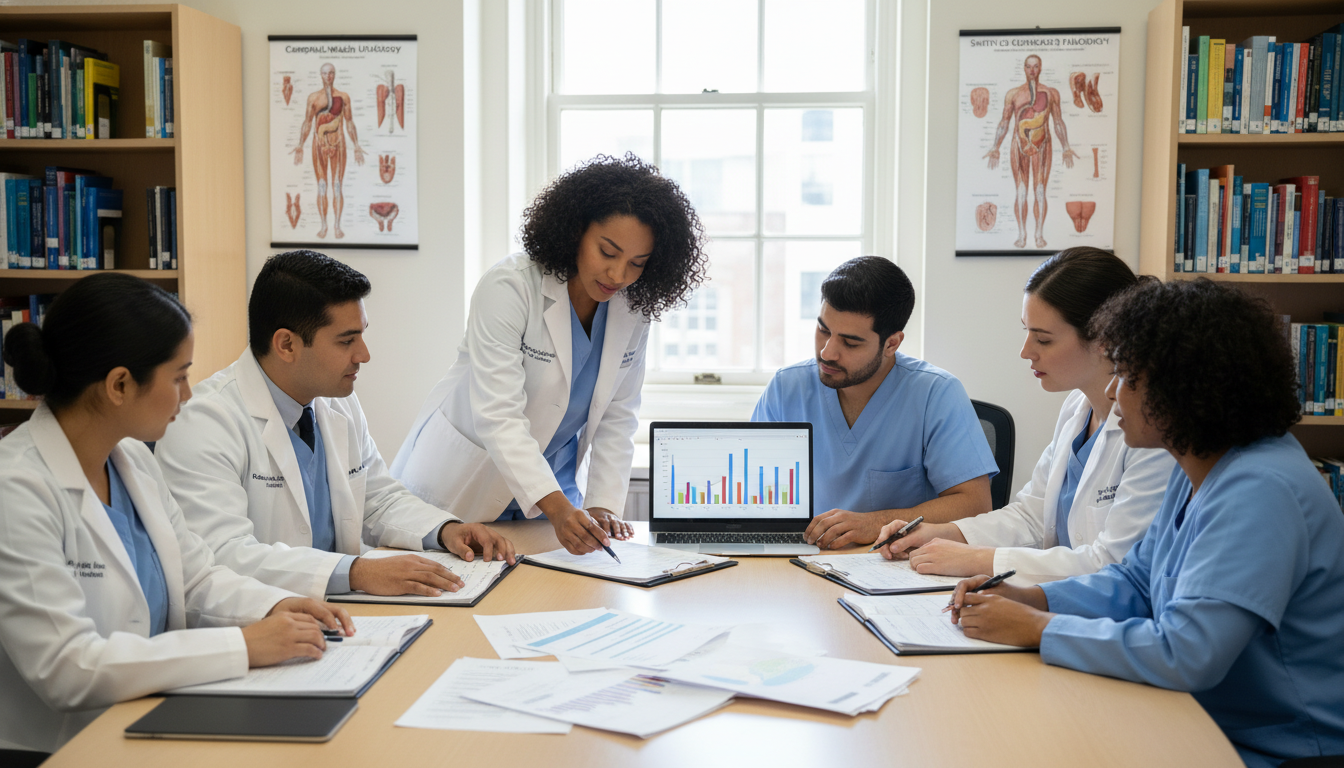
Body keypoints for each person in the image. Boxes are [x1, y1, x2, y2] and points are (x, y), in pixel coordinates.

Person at [948, 279, 1344, 767]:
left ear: (1187, 388)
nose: (1112, 393)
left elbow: (1188, 652)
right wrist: (1034, 597)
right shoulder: (1199, 461)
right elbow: (1134, 580)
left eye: (1128, 378)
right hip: (1202, 716)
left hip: (1281, 747)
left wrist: (1037, 627)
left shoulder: (1261, 489)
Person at [0, 274, 353, 755]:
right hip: (59, 748)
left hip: (147, 715)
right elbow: (70, 668)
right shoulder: (16, 490)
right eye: (179, 376)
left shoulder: (131, 459)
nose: (188, 396)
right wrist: (243, 647)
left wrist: (271, 607)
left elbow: (196, 576)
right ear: (120, 385)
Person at [392, 154, 707, 555]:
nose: (618, 275)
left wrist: (602, 504)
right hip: (463, 486)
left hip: (551, 495)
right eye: (607, 252)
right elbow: (498, 415)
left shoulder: (631, 311)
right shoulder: (510, 288)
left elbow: (619, 413)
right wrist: (557, 508)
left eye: (637, 264)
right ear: (576, 231)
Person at [156, 251, 515, 602]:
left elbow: (377, 498)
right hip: (261, 621)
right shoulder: (204, 421)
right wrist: (357, 572)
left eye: (361, 335)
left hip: (336, 609)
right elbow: (223, 555)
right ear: (286, 344)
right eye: (346, 341)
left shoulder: (334, 400)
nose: (364, 355)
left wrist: (446, 531)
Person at [876, 248, 1175, 584]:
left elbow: (1114, 564)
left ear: (1106, 338)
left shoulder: (1154, 433)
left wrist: (980, 560)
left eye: (1043, 339)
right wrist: (940, 533)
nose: (1025, 352)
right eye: (1026, 332)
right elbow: (1032, 517)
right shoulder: (1077, 409)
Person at [752, 256, 998, 549]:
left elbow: (976, 505)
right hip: (804, 557)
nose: (828, 352)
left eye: (850, 343)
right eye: (823, 330)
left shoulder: (936, 394)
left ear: (891, 344)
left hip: (893, 566)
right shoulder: (786, 388)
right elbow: (752, 494)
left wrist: (875, 522)